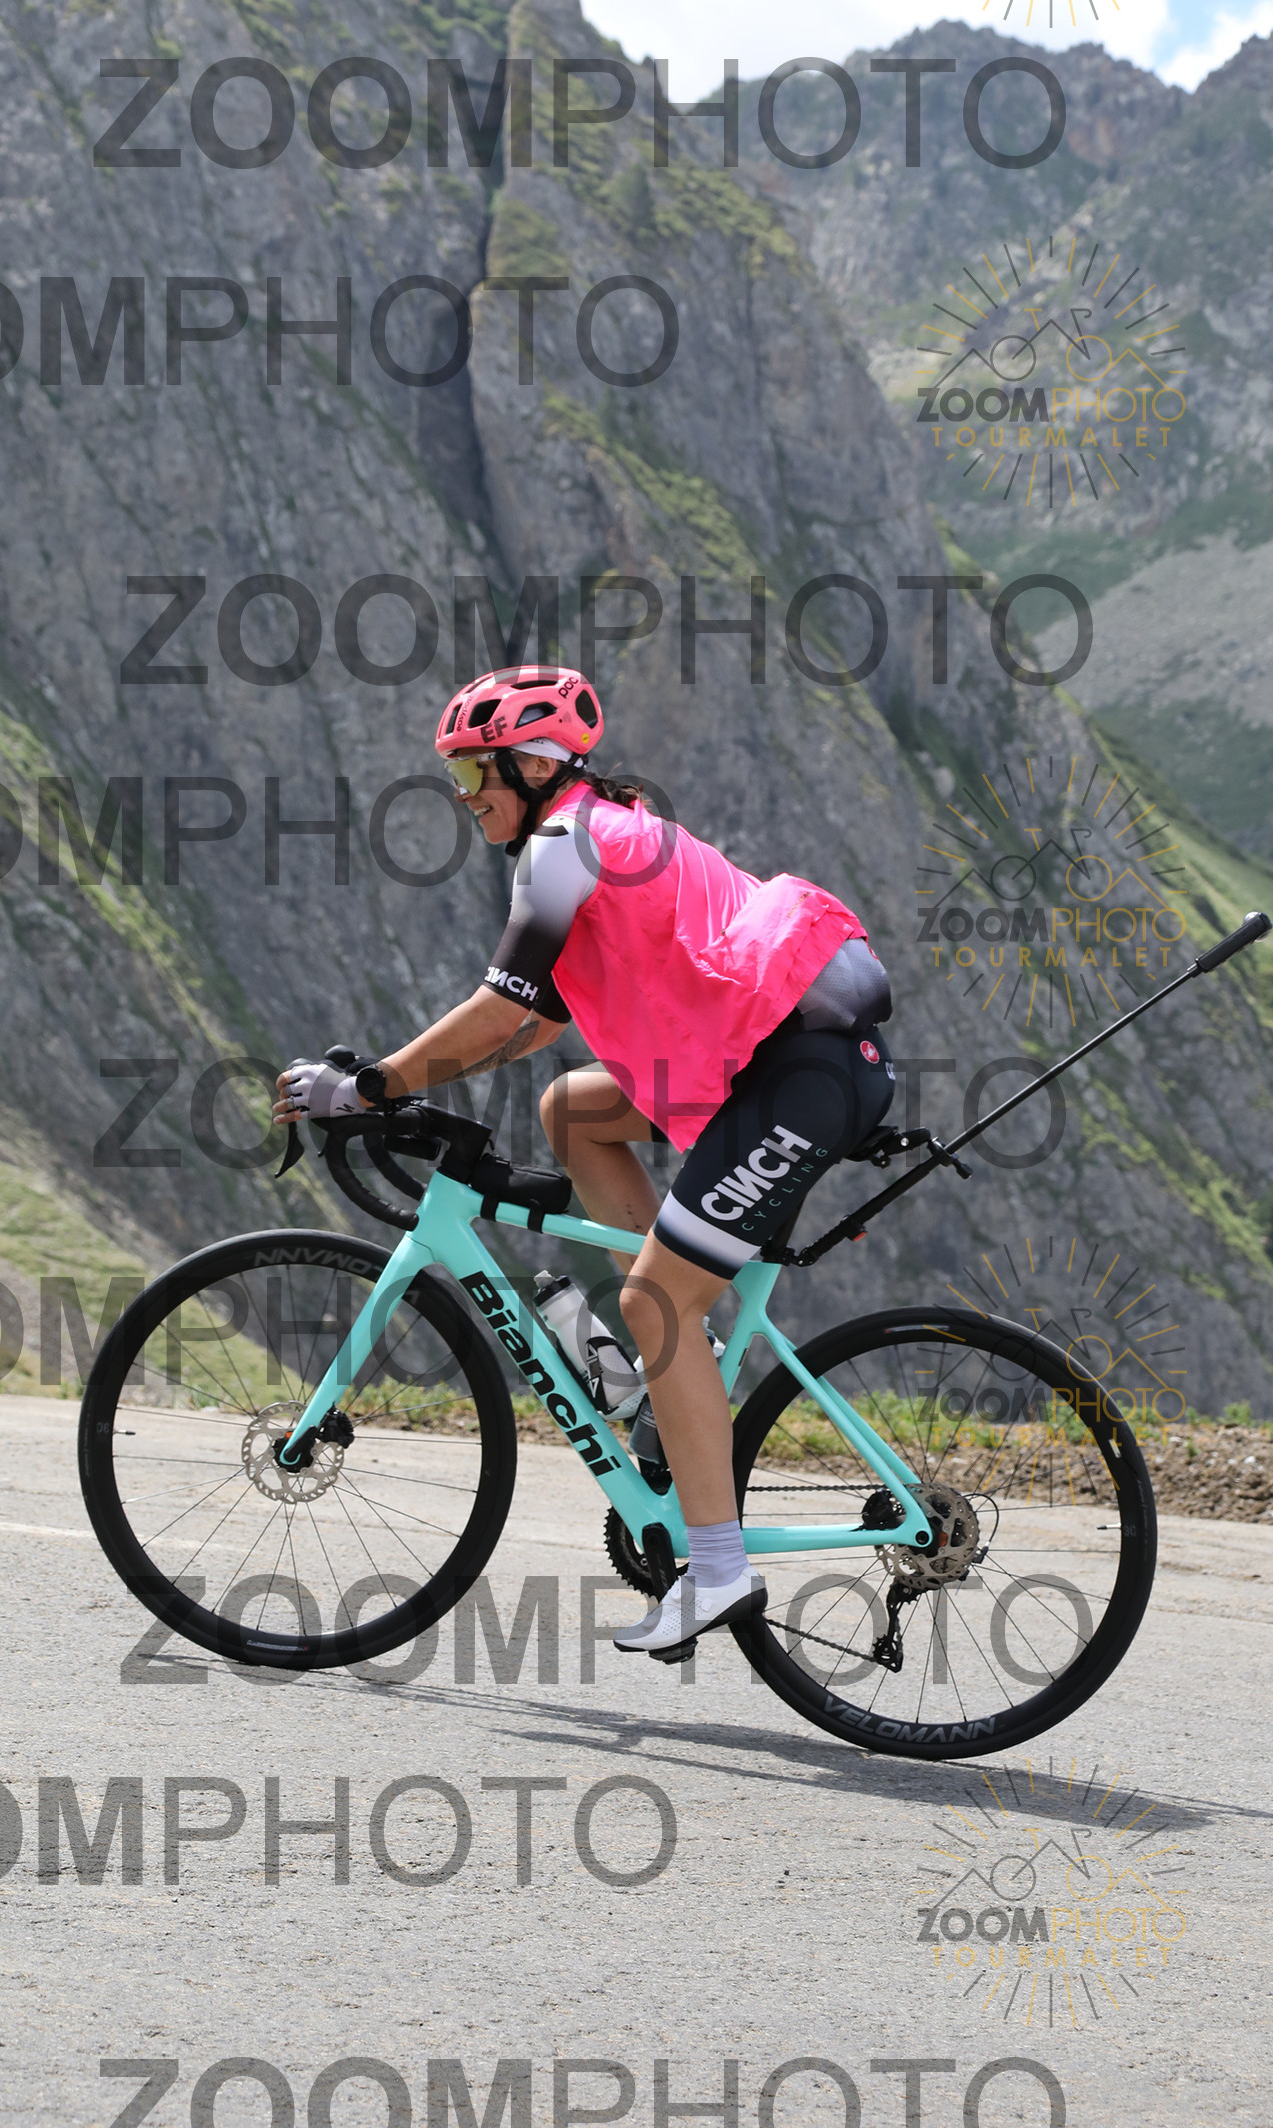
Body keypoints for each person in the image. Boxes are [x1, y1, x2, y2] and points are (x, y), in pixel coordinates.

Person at [275, 664, 894, 1655]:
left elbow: (498, 1012)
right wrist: (403, 1081)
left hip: (800, 1075)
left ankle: (717, 1568)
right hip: (784, 1064)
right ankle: (662, 1371)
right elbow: (536, 1023)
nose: (464, 797)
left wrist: (369, 1088)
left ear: (530, 765)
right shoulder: (601, 831)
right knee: (573, 1111)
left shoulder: (564, 843)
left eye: (472, 774)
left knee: (657, 1302)